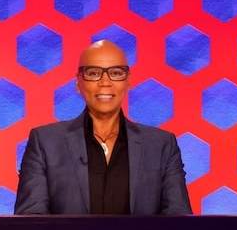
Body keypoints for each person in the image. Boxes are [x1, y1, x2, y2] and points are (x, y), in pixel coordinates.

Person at [15, 40, 192, 215]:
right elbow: (31, 222)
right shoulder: (45, 142)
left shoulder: (162, 145)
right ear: (78, 83)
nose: (105, 82)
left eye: (116, 73)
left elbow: (179, 222)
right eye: (93, 73)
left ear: (128, 81)